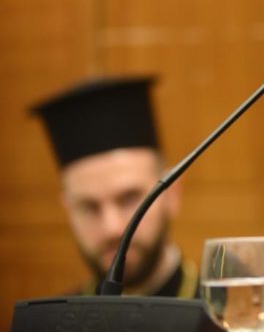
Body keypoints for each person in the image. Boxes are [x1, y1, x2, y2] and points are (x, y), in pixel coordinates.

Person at [31, 76, 197, 298]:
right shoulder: (46, 326)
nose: (112, 228)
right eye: (89, 207)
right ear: (68, 210)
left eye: (129, 199)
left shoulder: (234, 321)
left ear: (172, 194)